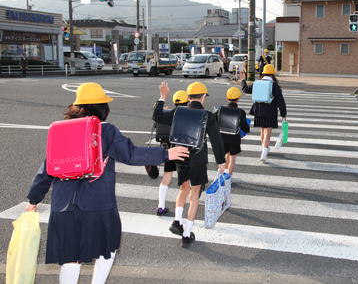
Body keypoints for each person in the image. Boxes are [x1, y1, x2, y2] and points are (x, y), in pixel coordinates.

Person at [25, 82, 189, 284]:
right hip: (98, 203)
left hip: (63, 206)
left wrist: (33, 200)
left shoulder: (61, 130)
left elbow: (47, 168)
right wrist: (166, 153)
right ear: (102, 107)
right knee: (107, 248)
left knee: (70, 256)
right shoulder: (105, 130)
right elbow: (130, 154)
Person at [153, 81, 226, 248]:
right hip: (198, 159)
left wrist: (163, 97)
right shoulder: (208, 115)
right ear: (203, 98)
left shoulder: (178, 111)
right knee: (194, 195)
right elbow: (216, 139)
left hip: (181, 157)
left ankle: (177, 221)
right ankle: (187, 234)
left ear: (188, 98)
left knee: (183, 189)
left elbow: (157, 116)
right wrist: (221, 161)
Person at [239, 64, 287, 164]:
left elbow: (246, 89)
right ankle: (264, 154)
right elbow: (280, 101)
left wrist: (243, 80)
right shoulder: (274, 85)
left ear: (263, 74)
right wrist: (283, 113)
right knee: (267, 133)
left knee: (262, 131)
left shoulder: (257, 83)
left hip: (258, 110)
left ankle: (265, 148)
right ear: (273, 75)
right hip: (270, 111)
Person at [155, 90, 189, 216]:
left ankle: (161, 206)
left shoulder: (171, 113)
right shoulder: (190, 114)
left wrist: (164, 108)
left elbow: (156, 116)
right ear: (188, 100)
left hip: (170, 148)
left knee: (166, 176)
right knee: (185, 180)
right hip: (184, 149)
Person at [214, 87, 250, 175]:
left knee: (226, 155)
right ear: (238, 98)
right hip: (234, 138)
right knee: (232, 158)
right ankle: (228, 177)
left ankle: (222, 173)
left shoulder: (221, 109)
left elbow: (214, 120)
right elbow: (245, 128)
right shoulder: (241, 112)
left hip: (222, 137)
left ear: (227, 98)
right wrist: (246, 129)